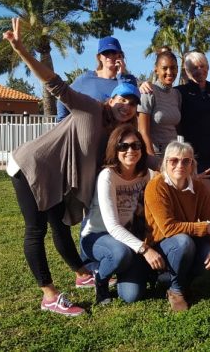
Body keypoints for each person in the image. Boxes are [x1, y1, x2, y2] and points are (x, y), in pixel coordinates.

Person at [2, 18, 139, 316]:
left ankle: (81, 273)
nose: (125, 105)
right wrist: (21, 49)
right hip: (30, 164)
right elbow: (54, 83)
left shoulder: (113, 133)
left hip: (54, 175)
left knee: (60, 226)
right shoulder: (90, 107)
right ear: (110, 99)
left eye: (132, 102)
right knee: (35, 230)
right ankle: (49, 295)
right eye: (121, 98)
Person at [80, 124, 165, 305]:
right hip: (98, 236)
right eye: (123, 146)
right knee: (120, 253)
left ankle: (132, 271)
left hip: (128, 239)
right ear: (115, 149)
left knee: (131, 296)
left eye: (135, 145)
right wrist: (145, 250)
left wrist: (192, 178)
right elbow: (112, 226)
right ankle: (101, 280)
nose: (130, 151)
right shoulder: (107, 176)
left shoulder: (145, 175)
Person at [144, 141, 210, 312]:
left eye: (186, 161)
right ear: (165, 163)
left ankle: (179, 281)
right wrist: (205, 228)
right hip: (160, 244)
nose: (180, 165)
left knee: (208, 250)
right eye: (174, 160)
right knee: (184, 242)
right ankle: (175, 289)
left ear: (192, 165)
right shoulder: (156, 186)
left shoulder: (198, 187)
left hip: (185, 239)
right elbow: (168, 228)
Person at [176, 51, 210, 197]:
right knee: (207, 198)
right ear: (187, 71)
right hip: (195, 155)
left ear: (208, 67)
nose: (199, 71)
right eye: (194, 68)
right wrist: (145, 85)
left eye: (202, 66)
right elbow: (161, 94)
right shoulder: (180, 92)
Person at [56, 36, 137, 122]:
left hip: (118, 129)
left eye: (114, 52)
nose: (110, 56)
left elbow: (128, 102)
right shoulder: (86, 78)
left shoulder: (129, 80)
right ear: (99, 57)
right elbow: (63, 97)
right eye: (106, 53)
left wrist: (121, 76)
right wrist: (62, 122)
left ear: (120, 56)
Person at [138, 50, 182, 170]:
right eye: (165, 68)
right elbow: (143, 131)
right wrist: (154, 162)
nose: (169, 72)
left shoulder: (177, 95)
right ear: (156, 70)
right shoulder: (149, 92)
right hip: (156, 157)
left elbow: (176, 128)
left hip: (174, 155)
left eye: (173, 68)